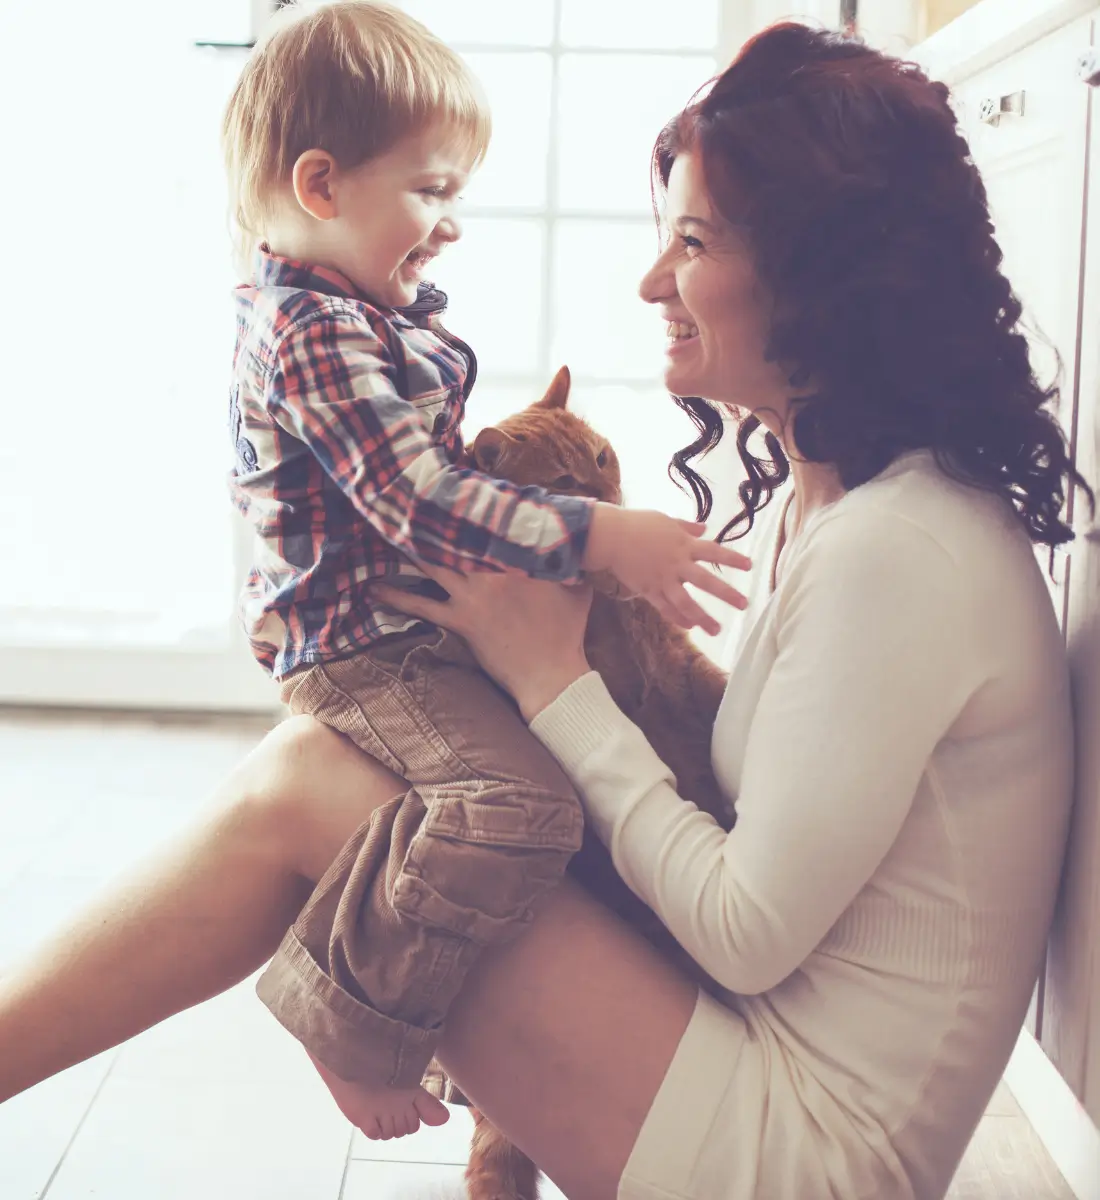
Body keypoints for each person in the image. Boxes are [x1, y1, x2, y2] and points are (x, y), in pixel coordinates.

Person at [0, 19, 1088, 1199]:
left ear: (823, 274)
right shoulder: (846, 503)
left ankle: (331, 1018)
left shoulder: (902, 551)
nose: (649, 280)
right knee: (318, 771)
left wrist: (550, 682)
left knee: (314, 780)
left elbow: (743, 930)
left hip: (801, 1151)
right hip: (759, 1046)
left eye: (692, 241)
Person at [222, 0, 749, 1140]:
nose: (450, 226)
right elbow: (414, 497)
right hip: (366, 650)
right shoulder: (311, 330)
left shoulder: (359, 311)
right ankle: (348, 1018)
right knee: (515, 806)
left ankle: (456, 1016)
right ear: (321, 187)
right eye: (432, 192)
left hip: (405, 629)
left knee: (551, 787)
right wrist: (595, 535)